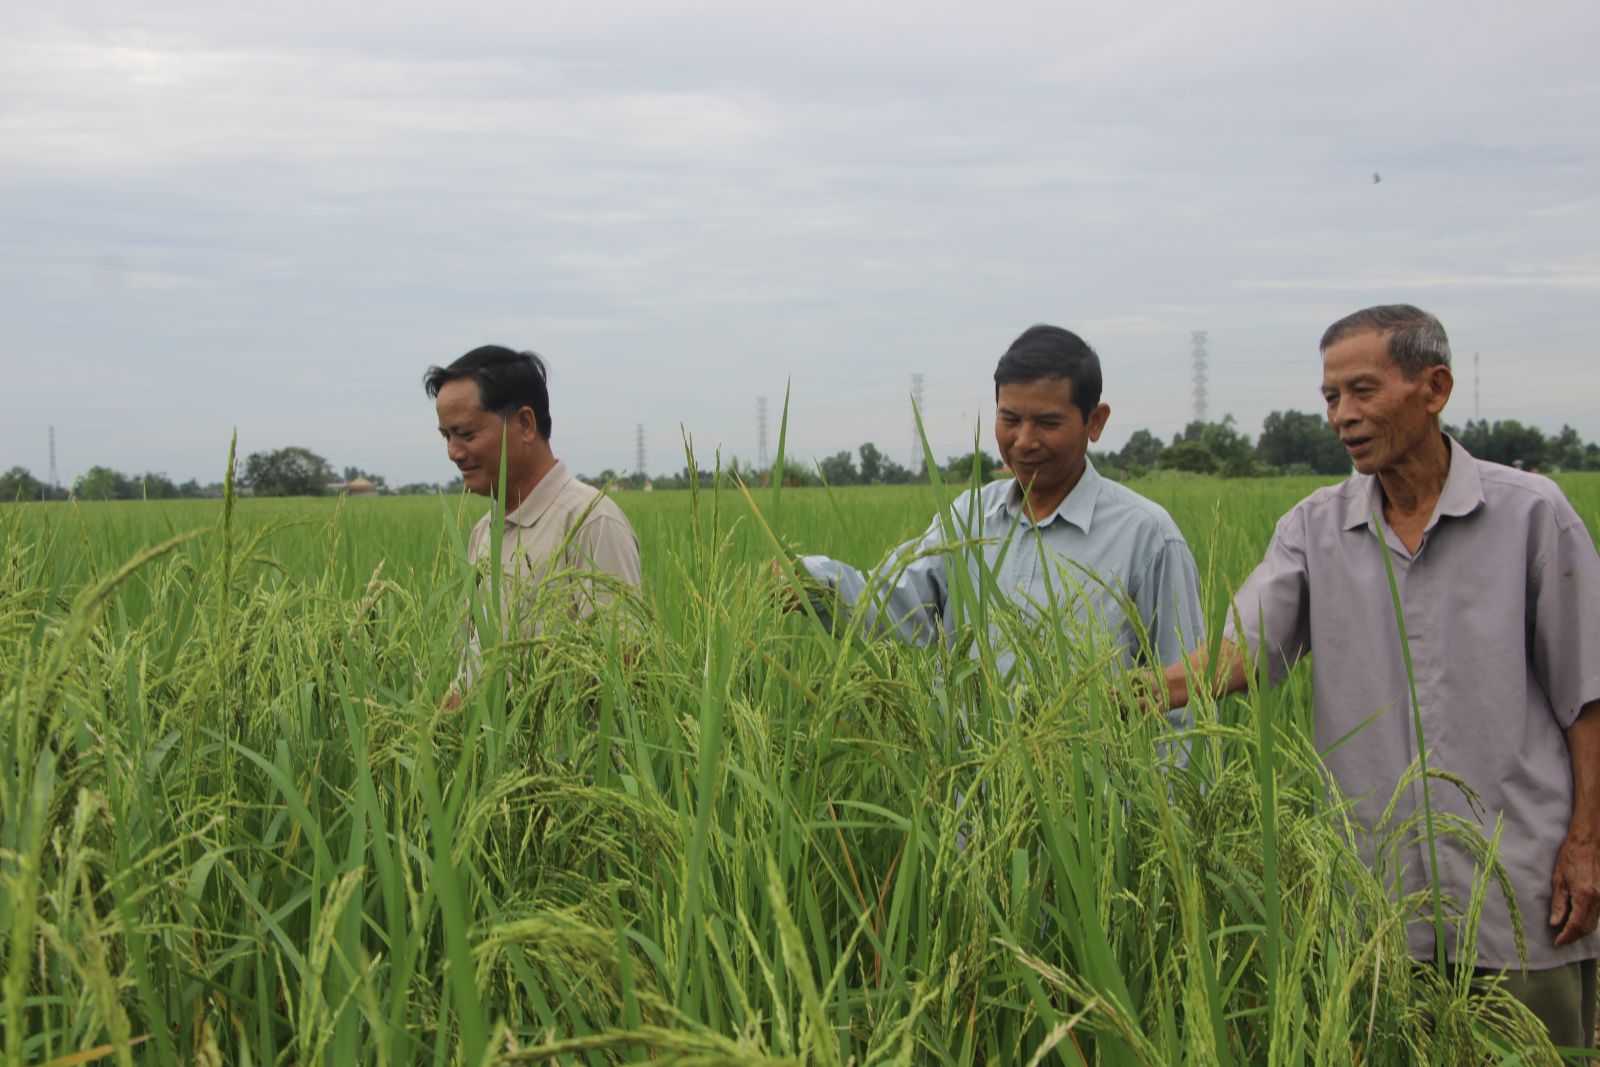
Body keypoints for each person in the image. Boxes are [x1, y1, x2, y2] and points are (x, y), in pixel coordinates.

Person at [1151, 305, 1600, 1047]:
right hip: (1377, 899)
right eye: (1330, 397)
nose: (1343, 416)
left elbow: (1587, 693)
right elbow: (1237, 656)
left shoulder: (1530, 514)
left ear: (1435, 387)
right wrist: (1112, 693)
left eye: (1362, 390)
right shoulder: (1312, 529)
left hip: (1521, 889)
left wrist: (1587, 842)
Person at [791, 324, 1205, 738]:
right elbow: (891, 606)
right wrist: (812, 584)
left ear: (1095, 422)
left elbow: (1183, 695)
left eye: (1047, 422)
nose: (1024, 441)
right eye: (1010, 419)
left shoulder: (1147, 537)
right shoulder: (970, 517)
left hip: (1094, 794)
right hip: (971, 790)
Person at [425, 345, 641, 634]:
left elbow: (622, 665)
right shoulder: (485, 532)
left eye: (466, 435)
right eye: (446, 437)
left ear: (525, 424)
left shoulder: (590, 522)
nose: (453, 452)